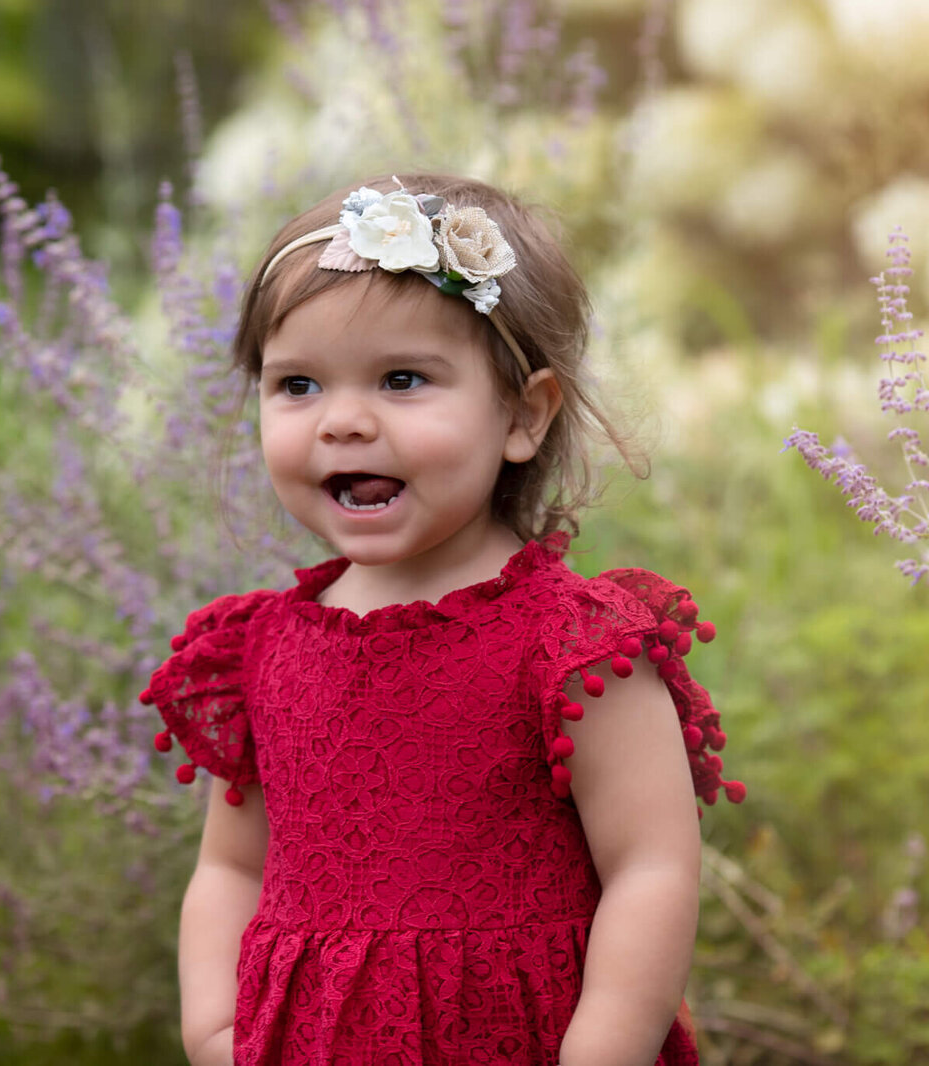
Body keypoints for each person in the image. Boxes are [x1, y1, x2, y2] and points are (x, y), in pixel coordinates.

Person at [141, 174, 744, 1066]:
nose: (343, 421)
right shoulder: (263, 649)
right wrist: (216, 1033)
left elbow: (651, 869)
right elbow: (233, 867)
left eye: (402, 379)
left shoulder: (575, 647)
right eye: (298, 384)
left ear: (522, 415)